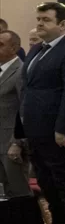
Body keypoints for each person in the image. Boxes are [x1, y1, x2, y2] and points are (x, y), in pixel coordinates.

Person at [19, 3, 65, 224]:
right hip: (37, 133)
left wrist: (62, 129)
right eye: (38, 19)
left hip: (60, 135)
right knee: (49, 189)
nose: (40, 23)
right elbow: (27, 90)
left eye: (46, 20)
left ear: (62, 24)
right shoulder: (37, 50)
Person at [0, 30, 31, 198]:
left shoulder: (21, 70)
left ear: (14, 48)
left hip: (10, 143)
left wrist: (17, 142)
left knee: (18, 193)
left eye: (1, 45)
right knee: (3, 195)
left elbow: (25, 109)